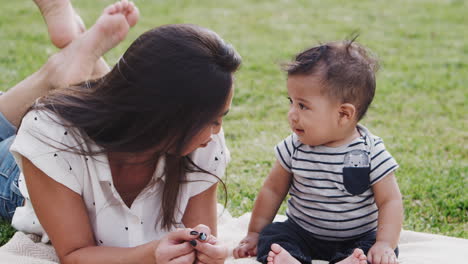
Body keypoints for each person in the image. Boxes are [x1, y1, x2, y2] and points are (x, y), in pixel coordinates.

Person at [0, 1, 242, 263]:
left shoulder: (202, 144)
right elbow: (74, 254)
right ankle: (54, 73)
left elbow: (201, 236)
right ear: (166, 116)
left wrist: (207, 252)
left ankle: (78, 59)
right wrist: (151, 254)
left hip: (113, 127)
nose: (216, 133)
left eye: (220, 119)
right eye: (211, 121)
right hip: (29, 176)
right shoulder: (51, 136)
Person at [233, 40, 403, 264]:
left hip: (357, 237)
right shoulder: (294, 146)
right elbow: (272, 190)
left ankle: (352, 260)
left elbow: (390, 200)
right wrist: (255, 232)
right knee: (273, 236)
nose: (292, 114)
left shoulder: (370, 151)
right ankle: (291, 259)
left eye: (302, 106)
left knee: (374, 252)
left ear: (343, 114)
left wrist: (384, 243)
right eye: (291, 102)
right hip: (302, 233)